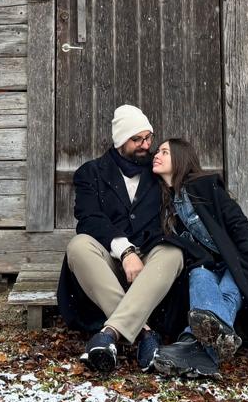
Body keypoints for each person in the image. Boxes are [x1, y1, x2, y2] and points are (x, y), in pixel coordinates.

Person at [56, 105, 186, 374]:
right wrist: (125, 252)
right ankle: (144, 333)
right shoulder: (90, 173)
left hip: (150, 260)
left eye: (148, 138)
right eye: (136, 139)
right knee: (78, 246)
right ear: (120, 141)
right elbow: (89, 219)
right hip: (109, 260)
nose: (146, 145)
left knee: (174, 253)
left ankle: (110, 335)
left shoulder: (157, 171)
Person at [150, 137, 248, 377]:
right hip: (203, 267)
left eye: (165, 151)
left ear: (181, 158)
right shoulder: (164, 205)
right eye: (157, 151)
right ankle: (204, 353)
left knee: (229, 287)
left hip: (235, 262)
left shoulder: (205, 186)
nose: (157, 155)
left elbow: (238, 223)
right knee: (200, 274)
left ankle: (192, 342)